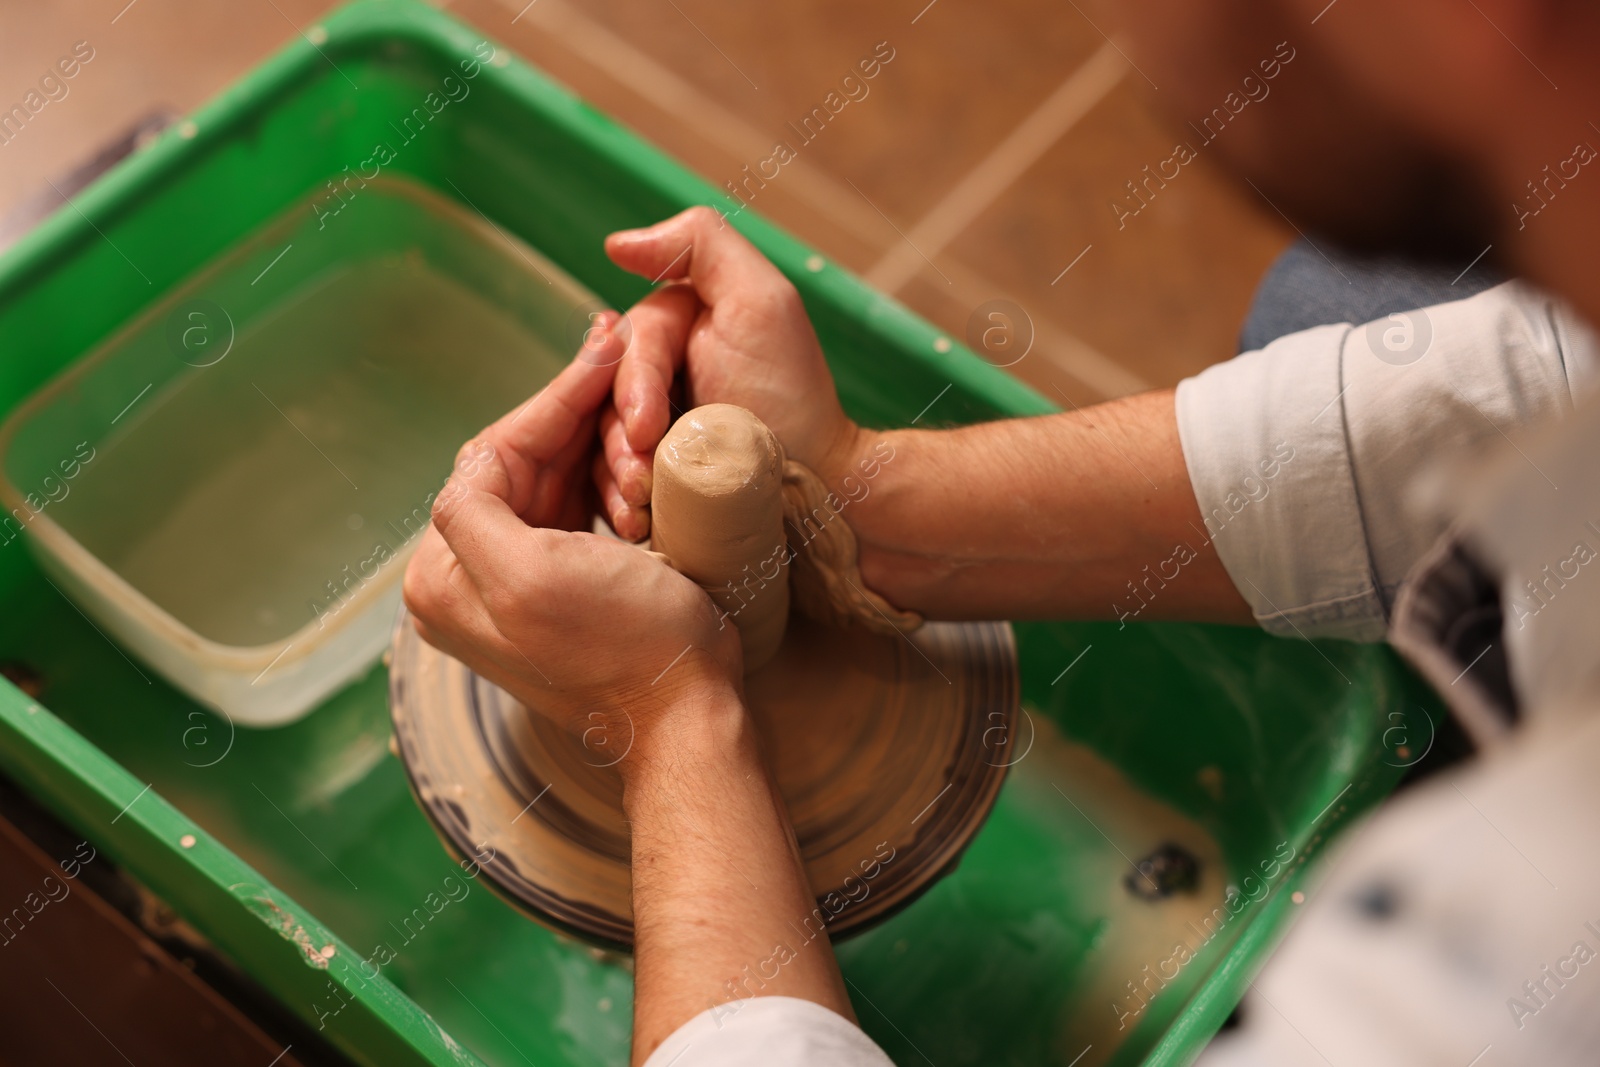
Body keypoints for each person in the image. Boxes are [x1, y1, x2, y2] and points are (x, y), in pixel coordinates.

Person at [402, 0, 1600, 1062]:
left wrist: (670, 718)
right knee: (1347, 310)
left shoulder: (1527, 970)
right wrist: (850, 500)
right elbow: (1517, 390)